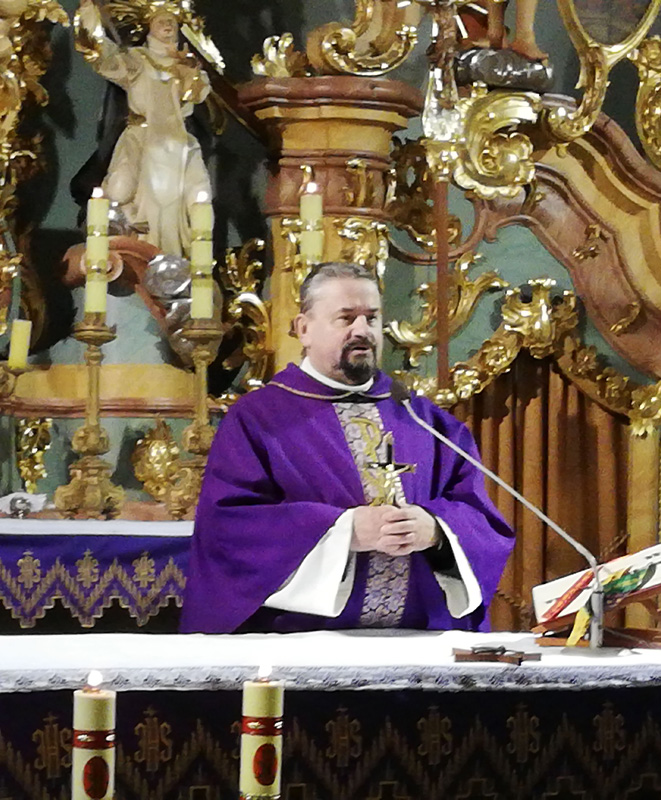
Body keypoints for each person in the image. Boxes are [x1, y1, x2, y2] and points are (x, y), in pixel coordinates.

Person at [180, 262, 515, 634]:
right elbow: (228, 528)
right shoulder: (259, 418)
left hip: (417, 641)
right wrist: (343, 531)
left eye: (371, 318)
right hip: (301, 643)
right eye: (346, 318)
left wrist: (436, 531)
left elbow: (477, 514)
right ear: (304, 329)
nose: (362, 330)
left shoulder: (422, 418)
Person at [77, 0, 212, 257]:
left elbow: (196, 93)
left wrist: (188, 72)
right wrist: (89, 17)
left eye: (172, 21)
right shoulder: (137, 60)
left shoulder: (187, 64)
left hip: (175, 142)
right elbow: (104, 56)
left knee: (195, 198)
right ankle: (128, 240)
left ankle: (171, 253)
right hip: (139, 136)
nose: (167, 25)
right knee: (120, 190)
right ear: (149, 26)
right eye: (161, 21)